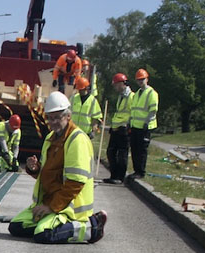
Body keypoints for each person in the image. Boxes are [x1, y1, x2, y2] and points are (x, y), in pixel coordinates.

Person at [8, 91, 108, 244]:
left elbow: (76, 183)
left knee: (43, 235)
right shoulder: (50, 138)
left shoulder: (77, 140)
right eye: (50, 118)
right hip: (50, 201)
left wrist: (52, 207)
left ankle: (92, 226)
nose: (53, 122)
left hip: (69, 207)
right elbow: (47, 174)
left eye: (57, 117)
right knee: (16, 227)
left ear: (68, 116)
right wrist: (34, 168)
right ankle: (52, 223)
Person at [103, 73, 134, 184]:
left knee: (122, 154)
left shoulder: (131, 97)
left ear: (122, 83)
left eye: (116, 85)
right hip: (116, 129)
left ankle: (120, 177)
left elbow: (132, 113)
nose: (115, 87)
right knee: (111, 152)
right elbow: (119, 113)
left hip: (124, 129)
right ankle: (113, 175)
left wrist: (128, 126)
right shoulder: (120, 97)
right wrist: (113, 126)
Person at [128, 68, 159, 179]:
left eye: (142, 79)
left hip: (145, 127)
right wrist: (130, 122)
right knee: (135, 149)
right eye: (138, 80)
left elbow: (153, 109)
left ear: (147, 79)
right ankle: (136, 170)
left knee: (142, 150)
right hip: (135, 126)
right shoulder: (137, 94)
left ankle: (141, 172)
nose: (140, 82)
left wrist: (147, 122)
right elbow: (133, 109)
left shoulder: (151, 93)